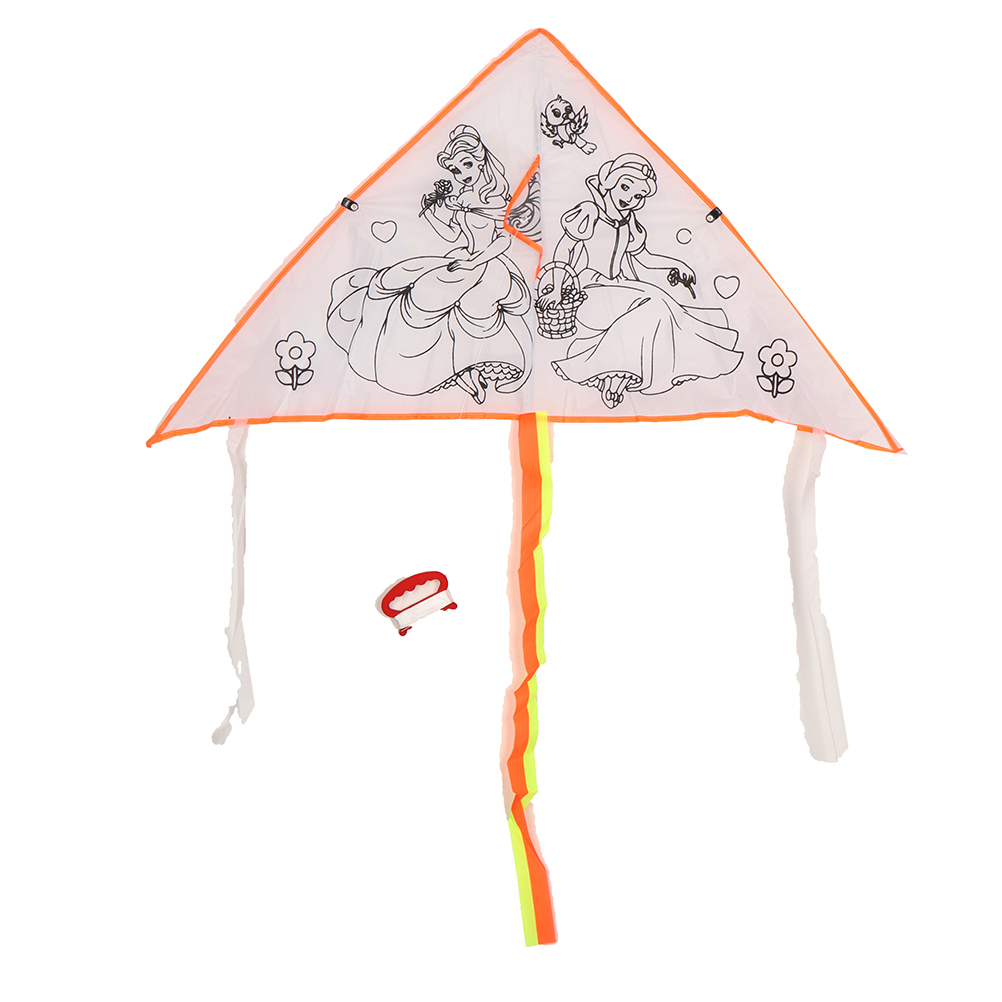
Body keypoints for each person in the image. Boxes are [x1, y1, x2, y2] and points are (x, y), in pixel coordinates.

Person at [328, 125, 531, 404]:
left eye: (467, 164)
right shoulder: (463, 198)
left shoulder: (495, 200)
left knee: (429, 298)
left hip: (485, 264)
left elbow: (505, 239)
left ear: (481, 160)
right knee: (396, 279)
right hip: (463, 257)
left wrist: (474, 261)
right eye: (456, 170)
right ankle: (387, 352)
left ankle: (462, 367)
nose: (462, 174)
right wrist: (433, 215)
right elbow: (454, 235)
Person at [537, 154, 742, 409]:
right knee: (655, 303)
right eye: (625, 187)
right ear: (611, 181)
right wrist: (557, 289)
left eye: (638, 195)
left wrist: (677, 264)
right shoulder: (590, 212)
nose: (630, 198)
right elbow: (564, 250)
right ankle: (611, 373)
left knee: (663, 303)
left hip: (618, 287)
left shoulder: (628, 222)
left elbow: (644, 257)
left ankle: (618, 377)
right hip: (589, 291)